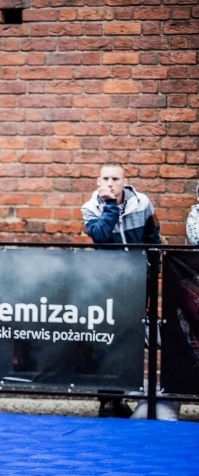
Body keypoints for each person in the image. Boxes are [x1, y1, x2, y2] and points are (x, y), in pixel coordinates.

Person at [81, 162, 162, 418]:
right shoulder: (90, 208)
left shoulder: (143, 203)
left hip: (139, 282)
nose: (110, 183)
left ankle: (124, 396)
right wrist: (111, 206)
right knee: (108, 340)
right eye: (105, 178)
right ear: (98, 181)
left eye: (115, 178)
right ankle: (107, 400)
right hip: (108, 283)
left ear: (124, 181)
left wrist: (151, 268)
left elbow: (153, 237)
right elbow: (101, 234)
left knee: (133, 339)